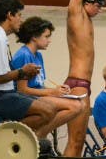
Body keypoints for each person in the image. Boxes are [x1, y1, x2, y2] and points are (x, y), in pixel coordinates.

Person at [0, 0, 72, 144]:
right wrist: (22, 72)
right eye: (19, 15)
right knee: (48, 110)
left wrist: (22, 73)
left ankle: (16, 138)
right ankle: (3, 141)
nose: (21, 20)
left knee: (49, 108)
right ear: (9, 15)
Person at [11, 16, 84, 149]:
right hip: (25, 98)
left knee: (79, 104)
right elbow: (22, 90)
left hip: (37, 95)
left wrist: (57, 90)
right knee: (75, 107)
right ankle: (39, 134)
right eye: (46, 36)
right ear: (34, 37)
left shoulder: (38, 55)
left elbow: (39, 84)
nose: (49, 41)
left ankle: (39, 132)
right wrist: (52, 92)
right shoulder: (24, 55)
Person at [62, 0, 101, 157]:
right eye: (98, 4)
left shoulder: (85, 16)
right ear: (88, 2)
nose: (100, 9)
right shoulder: (76, 13)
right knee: (75, 143)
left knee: (78, 142)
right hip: (76, 86)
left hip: (82, 85)